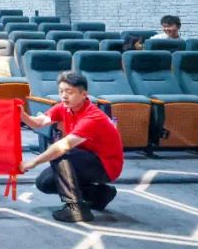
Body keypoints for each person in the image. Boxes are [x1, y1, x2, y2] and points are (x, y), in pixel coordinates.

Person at [19, 71, 123, 222]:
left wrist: (33, 162)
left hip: (106, 165)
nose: (64, 96)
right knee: (45, 183)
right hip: (85, 159)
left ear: (83, 94)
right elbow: (38, 122)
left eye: (69, 92)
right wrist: (22, 115)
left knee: (60, 153)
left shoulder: (93, 117)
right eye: (61, 91)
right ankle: (99, 195)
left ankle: (75, 209)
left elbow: (63, 146)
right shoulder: (63, 107)